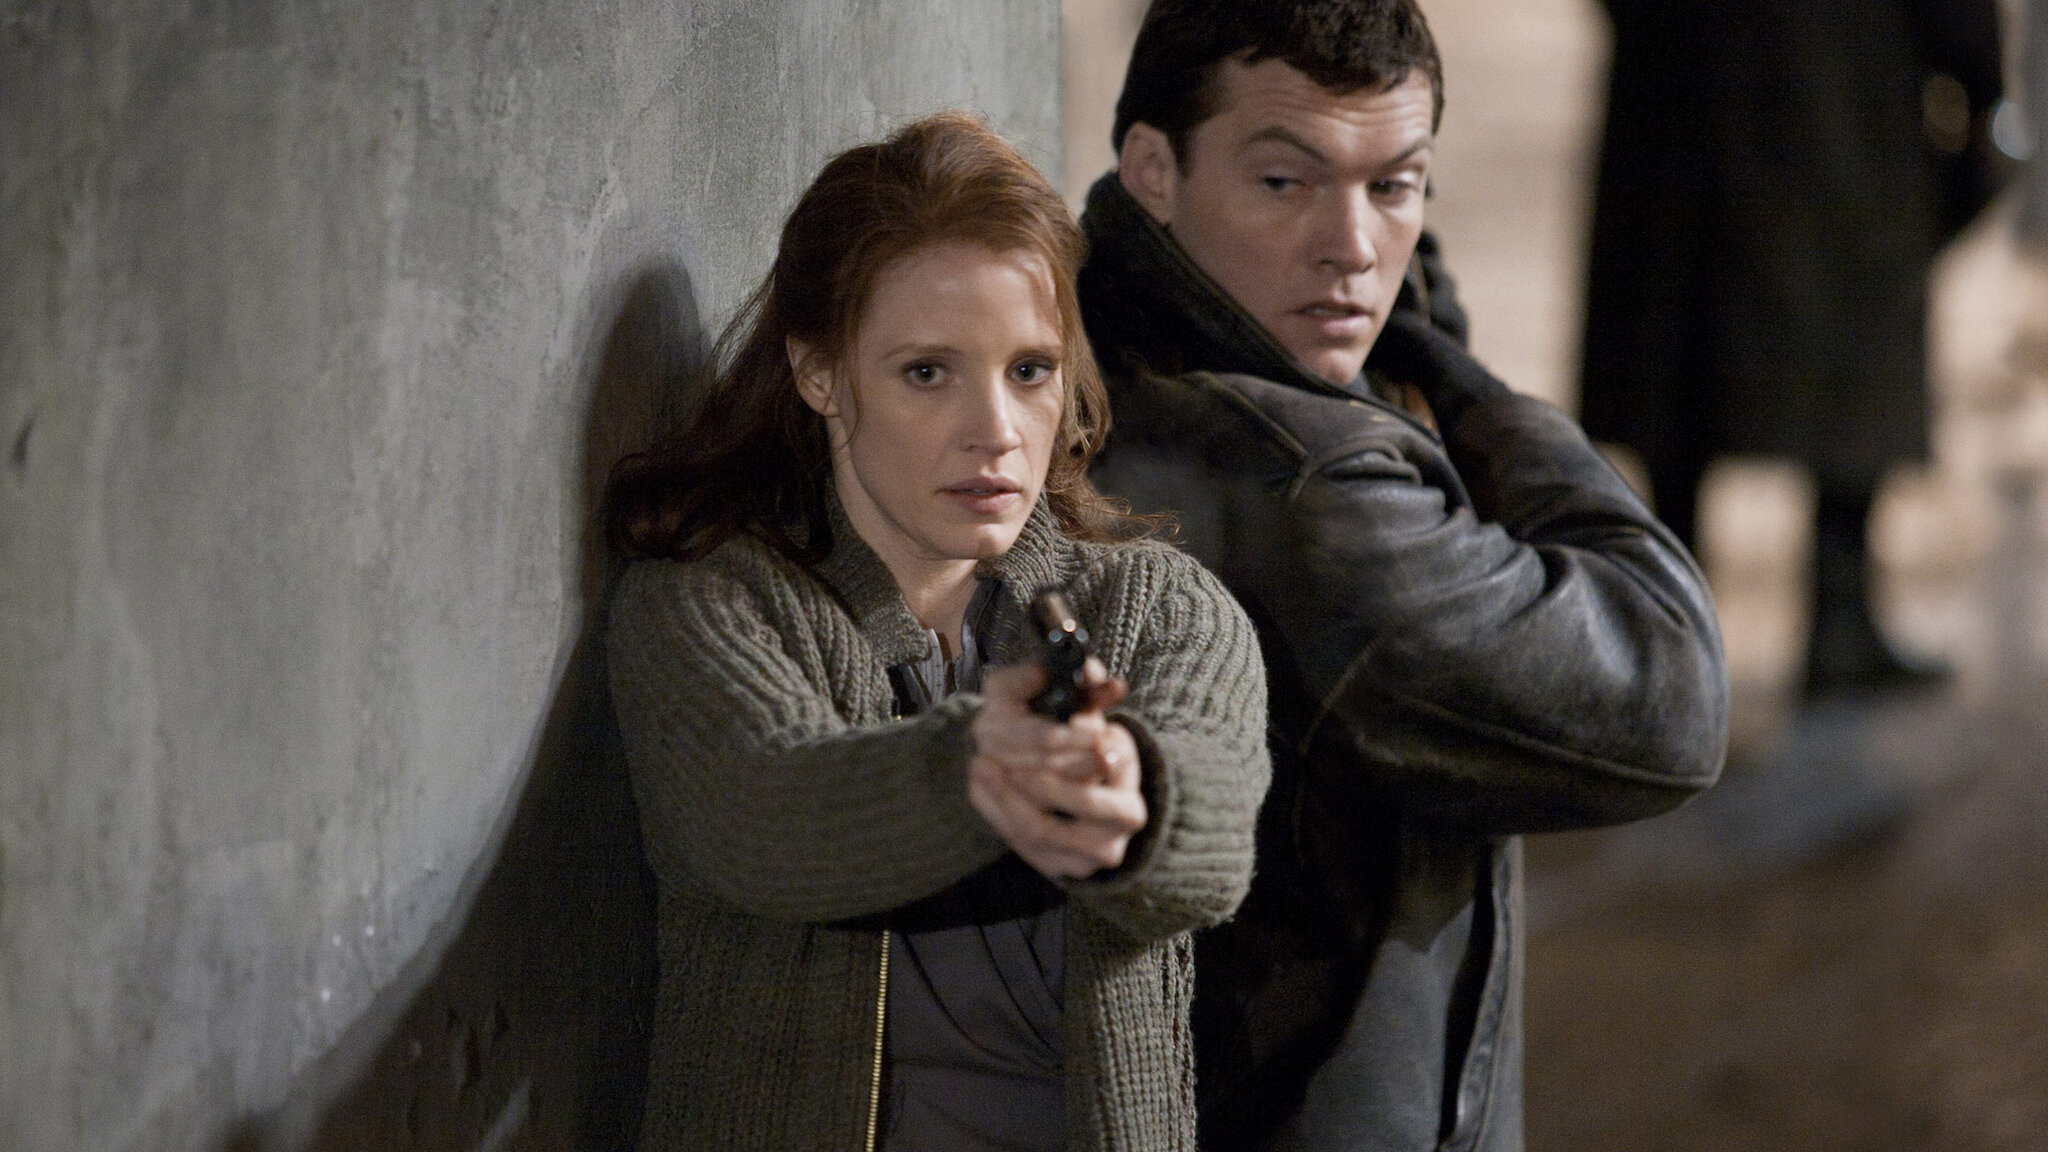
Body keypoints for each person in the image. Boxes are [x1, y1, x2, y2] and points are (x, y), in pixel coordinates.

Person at [1075, 2, 1730, 1149]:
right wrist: (1450, 372)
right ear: (1152, 171)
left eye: (1393, 186)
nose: (1352, 247)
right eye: (1283, 182)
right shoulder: (1307, 483)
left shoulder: (1108, 348)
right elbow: (1668, 697)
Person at [603, 111, 1271, 1152]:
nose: (994, 431)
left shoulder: (1161, 604)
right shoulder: (711, 602)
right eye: (927, 372)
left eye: (1029, 370)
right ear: (819, 373)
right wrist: (981, 761)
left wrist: (1130, 787)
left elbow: (1217, 828)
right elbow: (767, 815)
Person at [1579, 0, 2008, 698]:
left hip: (1684, 77)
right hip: (1841, 75)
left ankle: (1679, 621)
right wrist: (1980, 84)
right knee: (1836, 316)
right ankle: (1835, 614)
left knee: (1680, 332)